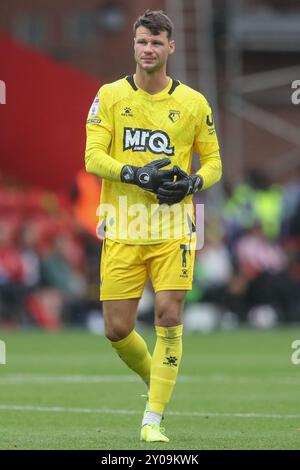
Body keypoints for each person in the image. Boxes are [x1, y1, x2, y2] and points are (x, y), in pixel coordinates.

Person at [85, 9, 222, 443]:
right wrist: (137, 175)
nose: (149, 49)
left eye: (157, 43)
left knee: (168, 314)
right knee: (117, 329)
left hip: (173, 228)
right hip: (123, 226)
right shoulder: (108, 96)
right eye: (143, 41)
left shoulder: (194, 103)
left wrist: (194, 182)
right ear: (134, 45)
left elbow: (214, 161)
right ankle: (158, 381)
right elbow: (92, 158)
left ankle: (153, 418)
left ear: (171, 48)